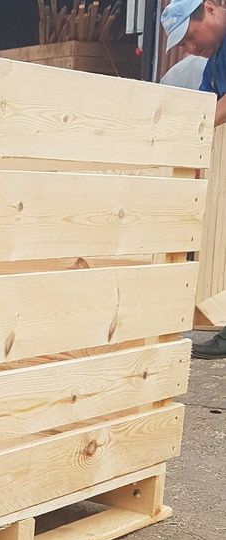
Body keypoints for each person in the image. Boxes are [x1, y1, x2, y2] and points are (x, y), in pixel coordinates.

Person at [162, 0, 226, 358]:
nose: (189, 48)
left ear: (211, 10)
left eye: (189, 36)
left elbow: (209, 114)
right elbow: (202, 104)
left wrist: (197, 129)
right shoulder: (215, 62)